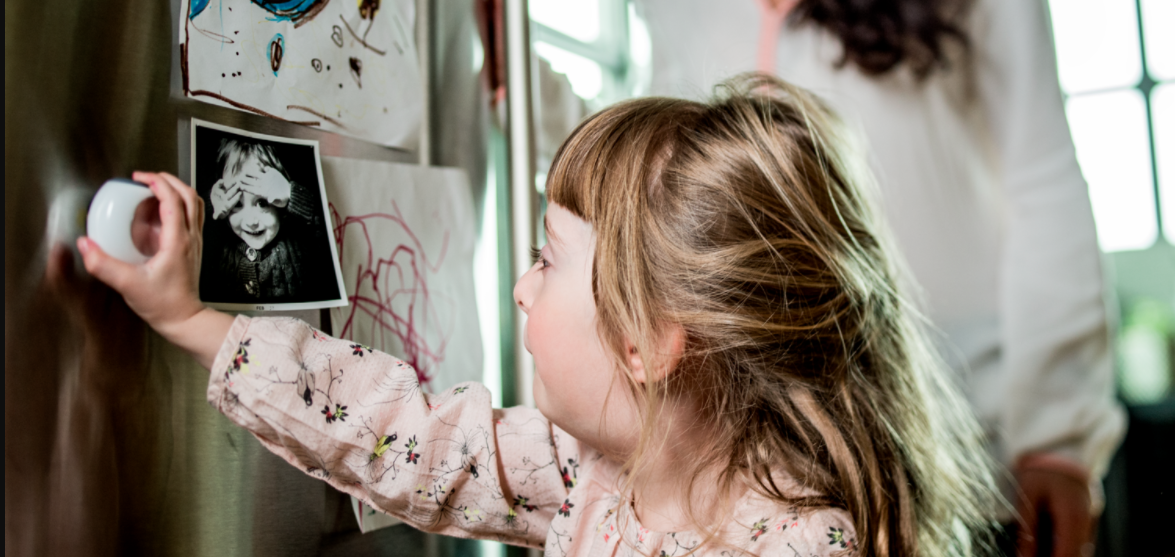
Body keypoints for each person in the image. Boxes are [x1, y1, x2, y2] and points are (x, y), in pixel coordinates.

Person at [76, 76, 999, 556]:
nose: (520, 286)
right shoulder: (593, 467)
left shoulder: (798, 544)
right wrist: (187, 314)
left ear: (645, 340)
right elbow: (407, 437)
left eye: (547, 258)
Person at [632, 0, 1126, 554]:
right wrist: (532, 86)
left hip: (969, 460)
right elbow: (648, 170)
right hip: (764, 470)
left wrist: (1056, 439)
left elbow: (1042, 179)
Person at [201, 139, 335, 303]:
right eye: (236, 204)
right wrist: (210, 205)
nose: (251, 221)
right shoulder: (218, 240)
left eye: (263, 203)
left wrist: (292, 194)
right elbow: (190, 237)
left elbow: (328, 235)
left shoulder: (300, 239)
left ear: (281, 204)